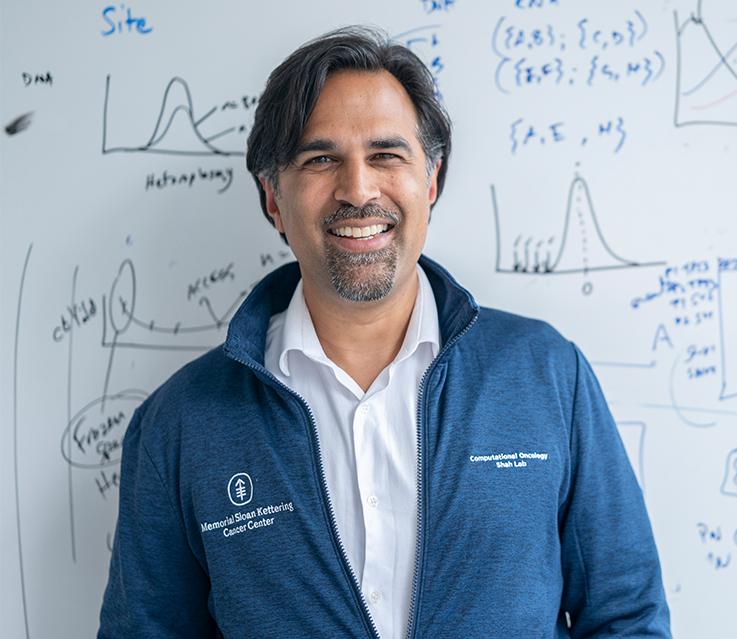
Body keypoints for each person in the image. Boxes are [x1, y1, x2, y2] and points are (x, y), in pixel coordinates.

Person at [98, 27, 671, 638]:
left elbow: (626, 616)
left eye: (386, 155)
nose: (358, 189)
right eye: (320, 159)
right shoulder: (181, 424)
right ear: (273, 199)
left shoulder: (546, 375)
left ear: (431, 179)